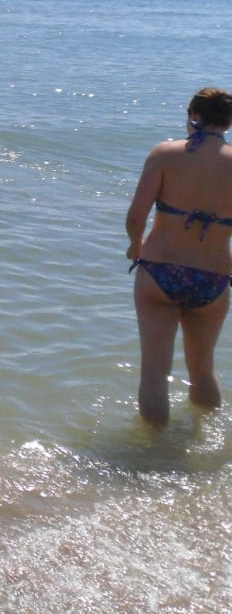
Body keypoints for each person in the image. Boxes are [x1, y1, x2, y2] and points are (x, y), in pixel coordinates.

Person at [125, 88, 232, 425]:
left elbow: (136, 216)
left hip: (159, 271)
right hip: (213, 278)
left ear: (193, 116)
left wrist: (135, 245)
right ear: (228, 123)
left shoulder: (164, 154)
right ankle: (206, 437)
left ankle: (154, 448)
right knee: (203, 370)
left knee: (154, 372)